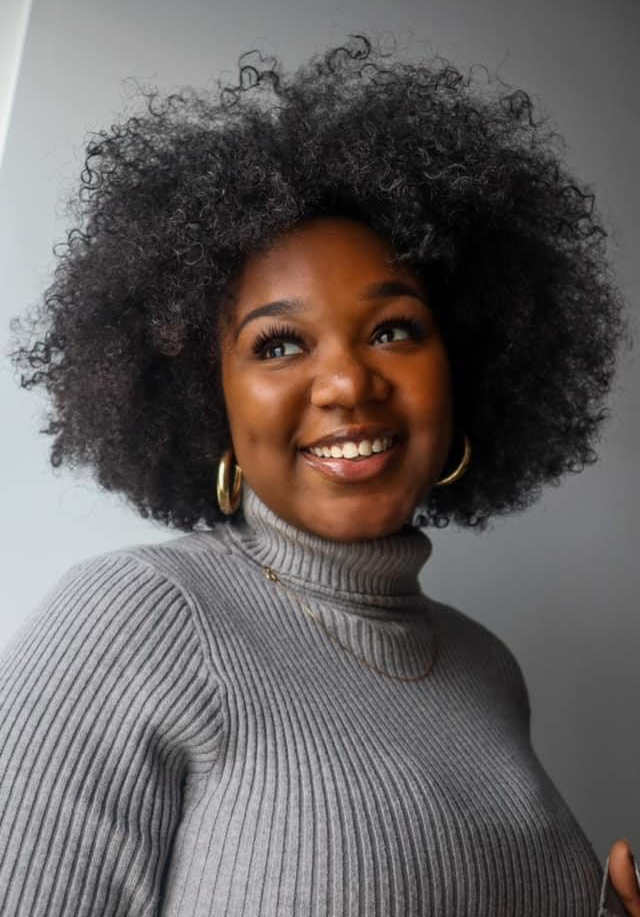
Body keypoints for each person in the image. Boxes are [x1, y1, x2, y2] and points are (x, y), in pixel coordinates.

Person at [1, 34, 635, 917]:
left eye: (393, 330)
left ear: (468, 365)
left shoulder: (486, 665)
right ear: (205, 395)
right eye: (279, 343)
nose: (346, 382)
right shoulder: (131, 623)